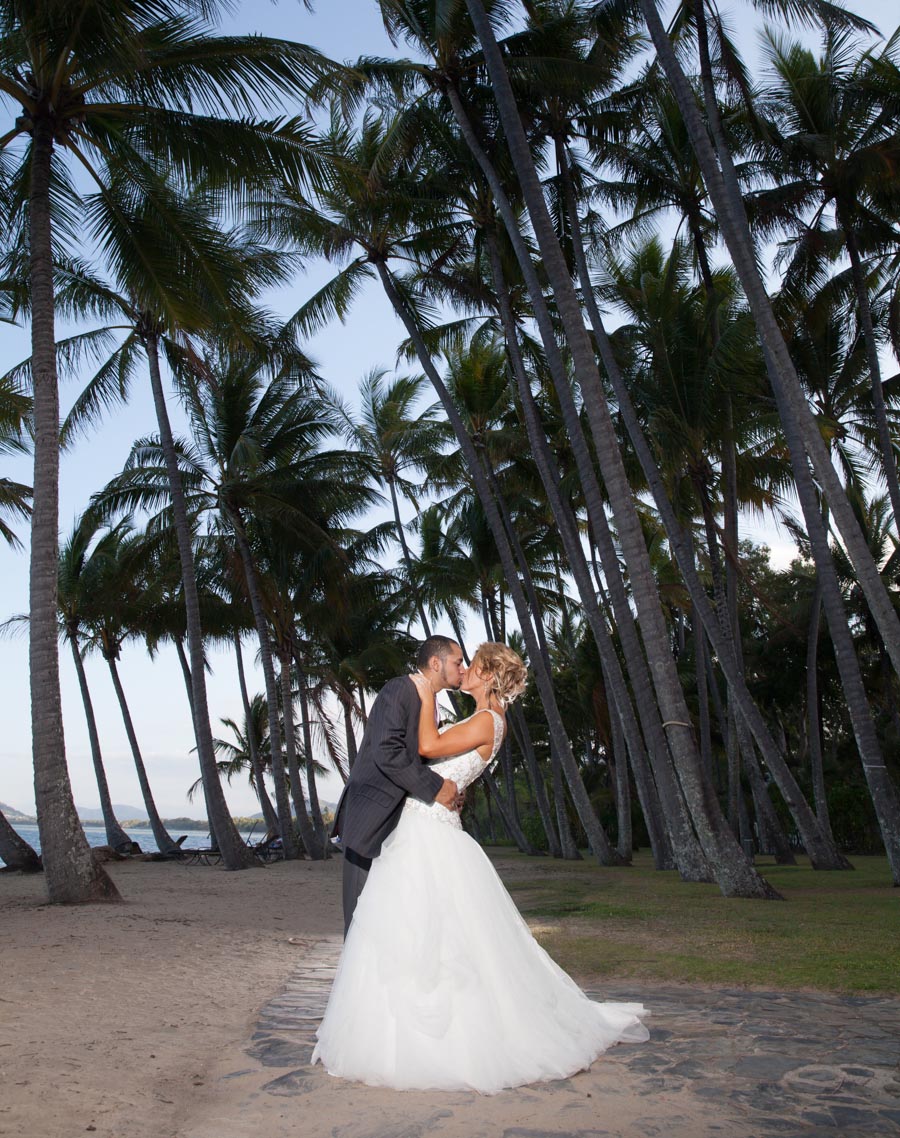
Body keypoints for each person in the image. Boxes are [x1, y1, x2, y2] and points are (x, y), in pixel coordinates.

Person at [313, 641, 650, 1094]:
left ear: (489, 676)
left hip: (429, 833)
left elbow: (427, 745)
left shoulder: (487, 720)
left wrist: (427, 689)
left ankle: (444, 1042)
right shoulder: (481, 719)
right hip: (421, 827)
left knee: (435, 941)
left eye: (472, 665)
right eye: (460, 662)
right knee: (413, 934)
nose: (465, 669)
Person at [331, 634, 466, 935]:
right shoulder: (400, 689)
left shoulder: (427, 701)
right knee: (359, 924)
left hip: (400, 828)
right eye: (458, 662)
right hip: (370, 822)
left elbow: (418, 756)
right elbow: (386, 751)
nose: (463, 669)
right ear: (435, 662)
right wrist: (436, 787)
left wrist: (449, 784)